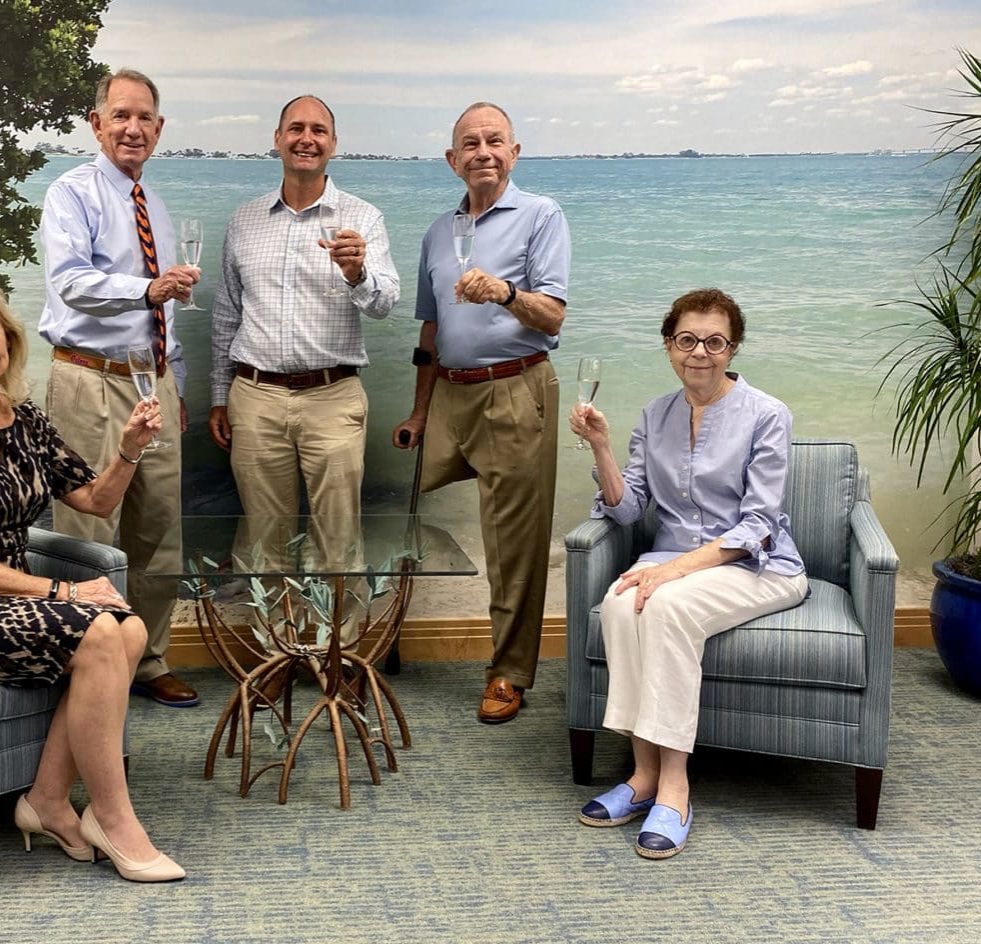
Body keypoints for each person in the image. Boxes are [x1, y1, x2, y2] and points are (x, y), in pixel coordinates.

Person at [0, 274, 184, 882]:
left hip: (3, 594)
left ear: (9, 338)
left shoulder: (26, 421)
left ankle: (45, 802)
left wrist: (128, 449)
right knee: (104, 631)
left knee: (125, 631)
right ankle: (113, 817)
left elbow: (96, 501)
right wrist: (66, 591)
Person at [568, 288, 809, 859]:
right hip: (672, 564)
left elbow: (758, 526)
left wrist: (672, 571)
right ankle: (642, 774)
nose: (700, 351)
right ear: (669, 345)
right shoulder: (655, 415)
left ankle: (676, 786)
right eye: (687, 340)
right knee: (621, 602)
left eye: (715, 341)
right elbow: (627, 509)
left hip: (760, 567)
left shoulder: (768, 414)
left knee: (665, 604)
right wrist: (601, 446)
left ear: (733, 348)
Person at [393, 101, 570, 724]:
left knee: (513, 543)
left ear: (515, 152)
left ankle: (509, 672)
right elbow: (431, 325)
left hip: (515, 390)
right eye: (470, 144)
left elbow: (554, 315)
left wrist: (505, 291)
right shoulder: (438, 231)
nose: (483, 152)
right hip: (449, 393)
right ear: (453, 160)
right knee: (402, 513)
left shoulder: (542, 215)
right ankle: (388, 636)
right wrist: (419, 411)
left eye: (495, 141)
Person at [38, 68, 201, 707]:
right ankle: (88, 665)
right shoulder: (71, 193)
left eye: (145, 119)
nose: (133, 128)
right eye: (121, 115)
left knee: (159, 527)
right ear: (97, 122)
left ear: (158, 130)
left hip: (150, 382)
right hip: (87, 378)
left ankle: (147, 657)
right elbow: (72, 283)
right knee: (88, 530)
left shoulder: (153, 204)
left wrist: (176, 382)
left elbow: (163, 311)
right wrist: (148, 288)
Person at [209, 94, 399, 580]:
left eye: (318, 130)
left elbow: (384, 305)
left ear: (333, 144)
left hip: (333, 398)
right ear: (277, 140)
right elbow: (227, 314)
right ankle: (275, 654)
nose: (306, 139)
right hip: (254, 398)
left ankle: (336, 654)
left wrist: (357, 273)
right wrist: (218, 397)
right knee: (261, 541)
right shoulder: (244, 220)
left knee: (337, 542)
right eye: (296, 128)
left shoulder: (364, 218)